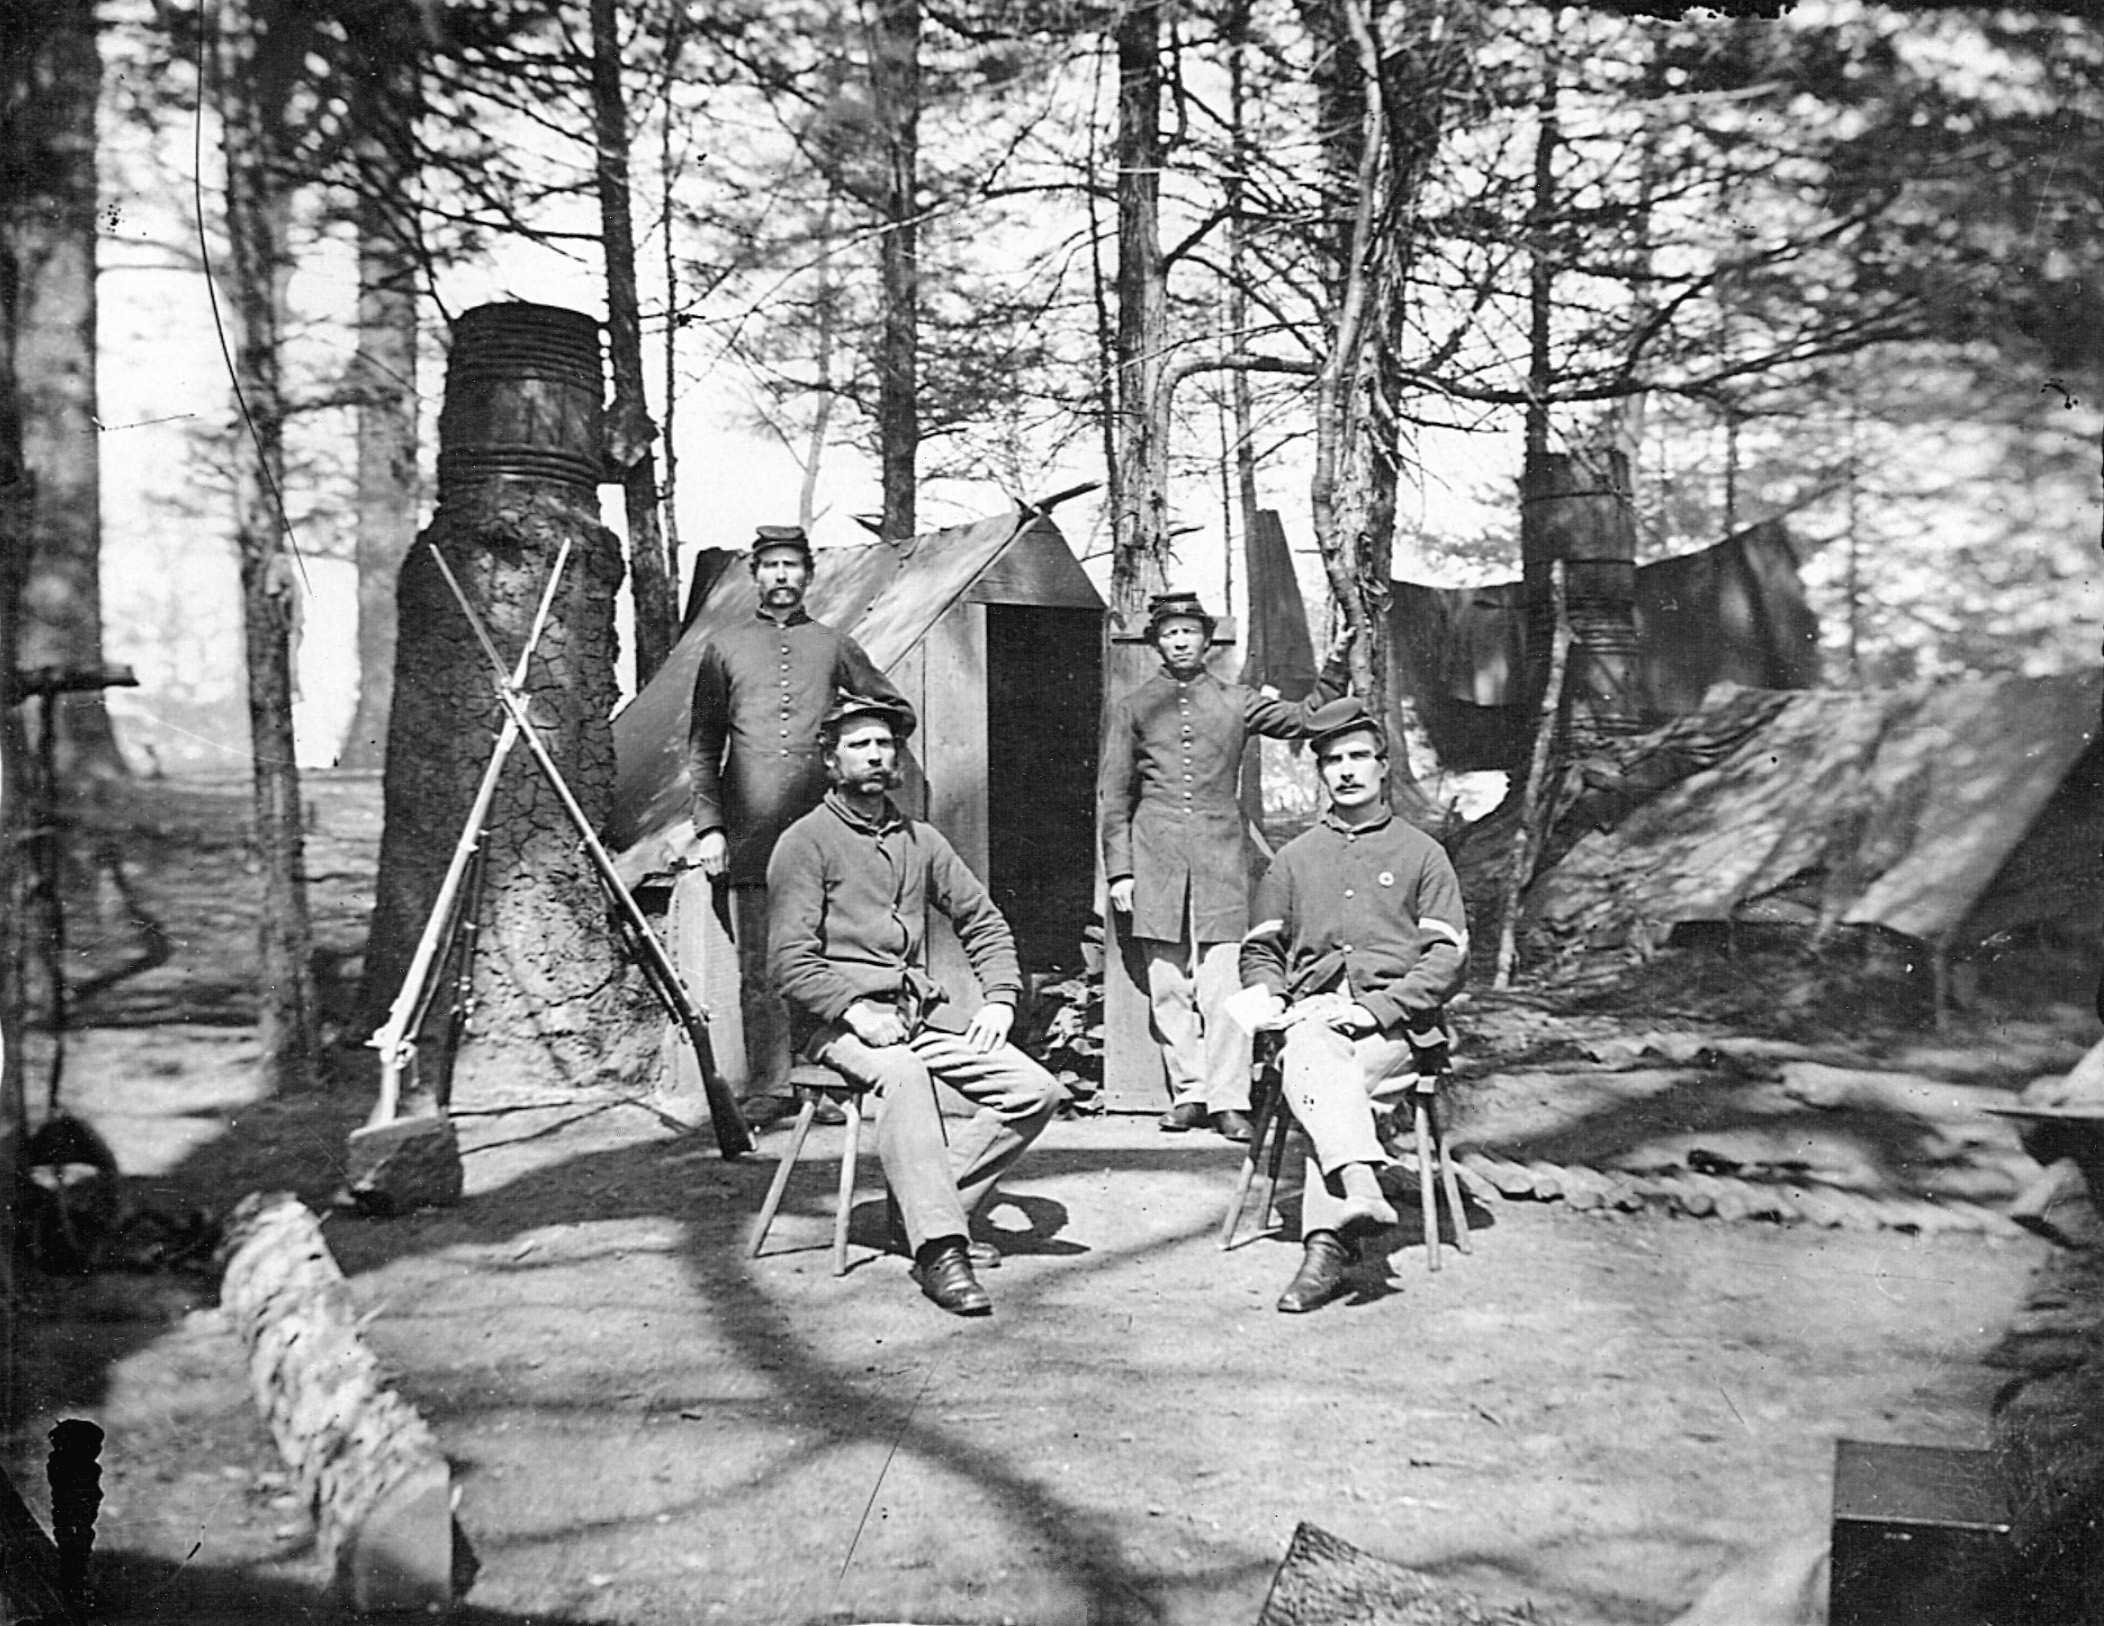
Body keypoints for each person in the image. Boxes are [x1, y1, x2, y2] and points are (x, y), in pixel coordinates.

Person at [768, 693, 1065, 1317]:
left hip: (913, 1012)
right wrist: (855, 1013)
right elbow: (790, 961)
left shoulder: (920, 840)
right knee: (904, 1075)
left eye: (885, 745)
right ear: (830, 760)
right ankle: (940, 1252)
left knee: (1035, 1090)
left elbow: (982, 920)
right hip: (834, 1023)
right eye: (860, 745)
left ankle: (927, 1213)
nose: (876, 757)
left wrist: (1001, 1000)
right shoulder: (805, 843)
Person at [1235, 696, 1468, 1314]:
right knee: (1318, 1055)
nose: (1346, 770)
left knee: (1321, 1077)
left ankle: (1326, 1246)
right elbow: (1260, 949)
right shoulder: (1294, 858)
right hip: (1312, 1019)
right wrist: (1270, 998)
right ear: (1320, 771)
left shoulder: (1422, 854)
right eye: (1332, 760)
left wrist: (1376, 1010)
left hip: (1395, 1030)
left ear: (1384, 766)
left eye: (1359, 757)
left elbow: (1447, 958)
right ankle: (1352, 1200)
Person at [681, 524, 912, 1122]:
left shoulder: (833, 646)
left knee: (825, 959)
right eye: (771, 567)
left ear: (808, 575)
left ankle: (826, 1083)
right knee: (759, 966)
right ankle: (771, 1088)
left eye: (792, 566)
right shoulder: (724, 647)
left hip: (822, 834)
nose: (782, 577)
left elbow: (896, 712)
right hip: (750, 836)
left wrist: (852, 740)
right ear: (754, 575)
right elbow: (703, 744)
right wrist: (710, 827)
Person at [1097, 590, 1344, 1142]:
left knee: (1225, 980)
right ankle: (1190, 1092)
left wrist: (1335, 668)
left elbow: (1307, 718)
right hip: (1154, 854)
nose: (1180, 640)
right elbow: (1114, 796)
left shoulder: (1237, 700)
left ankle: (1229, 1098)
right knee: (1166, 983)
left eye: (1189, 631)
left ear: (1207, 641)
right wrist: (1120, 871)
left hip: (1221, 854)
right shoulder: (1134, 706)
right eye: (1169, 633)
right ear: (1156, 642)